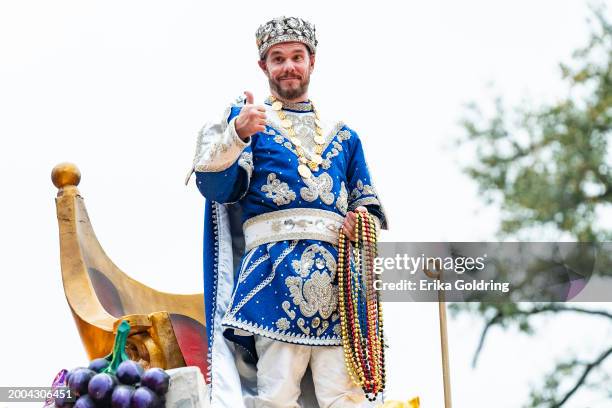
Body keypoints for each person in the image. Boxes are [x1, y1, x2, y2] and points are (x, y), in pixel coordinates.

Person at [188, 16, 388, 408]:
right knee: (276, 395)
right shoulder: (250, 120)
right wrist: (238, 134)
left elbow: (368, 205)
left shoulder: (344, 135)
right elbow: (214, 187)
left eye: (297, 57)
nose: (289, 66)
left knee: (345, 396)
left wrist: (360, 222)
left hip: (337, 288)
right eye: (278, 59)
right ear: (264, 67)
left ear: (312, 61)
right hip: (273, 276)